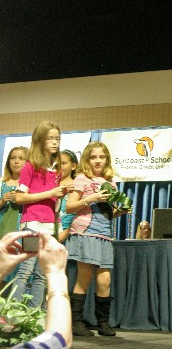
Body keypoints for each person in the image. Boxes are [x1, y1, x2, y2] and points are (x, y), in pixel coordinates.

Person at [65, 141, 128, 337]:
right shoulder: (82, 179)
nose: (98, 160)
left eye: (101, 157)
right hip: (86, 232)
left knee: (105, 280)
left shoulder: (110, 182)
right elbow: (70, 207)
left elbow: (109, 213)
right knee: (85, 277)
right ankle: (76, 323)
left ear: (107, 159)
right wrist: (91, 198)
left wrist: (121, 211)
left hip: (104, 234)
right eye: (93, 157)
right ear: (87, 160)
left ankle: (103, 323)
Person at [13, 121, 66, 308]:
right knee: (25, 270)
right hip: (32, 225)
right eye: (50, 138)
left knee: (42, 274)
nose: (54, 142)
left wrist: (58, 196)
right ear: (39, 140)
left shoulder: (56, 169)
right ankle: (13, 313)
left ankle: (35, 314)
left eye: (57, 139)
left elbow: (54, 200)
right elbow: (19, 198)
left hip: (50, 227)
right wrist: (50, 193)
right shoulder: (30, 166)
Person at [0, 231, 72, 349]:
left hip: (47, 226)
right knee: (25, 274)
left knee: (39, 277)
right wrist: (56, 273)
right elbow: (60, 339)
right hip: (30, 223)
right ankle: (14, 313)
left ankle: (34, 313)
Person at [0, 146, 28, 288]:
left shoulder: (30, 184)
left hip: (25, 231)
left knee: (23, 272)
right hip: (3, 230)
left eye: (21, 158)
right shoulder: (2, 182)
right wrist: (3, 200)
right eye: (13, 157)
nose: (16, 162)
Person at [57, 150, 78, 243]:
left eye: (63, 163)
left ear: (73, 166)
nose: (59, 167)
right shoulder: (49, 186)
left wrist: (67, 231)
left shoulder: (78, 186)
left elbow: (81, 212)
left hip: (70, 236)